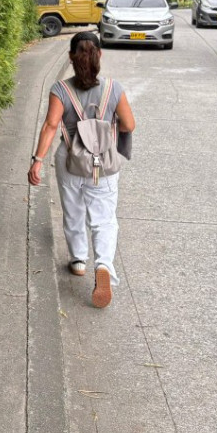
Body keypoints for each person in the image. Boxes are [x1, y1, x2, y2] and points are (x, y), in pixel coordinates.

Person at [28, 31, 136, 308]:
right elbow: (129, 125)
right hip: (104, 163)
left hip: (70, 161)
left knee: (73, 211)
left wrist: (37, 160)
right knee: (104, 218)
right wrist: (106, 131)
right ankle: (103, 265)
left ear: (71, 58)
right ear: (100, 55)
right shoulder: (114, 89)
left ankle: (78, 260)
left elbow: (51, 126)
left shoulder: (60, 90)